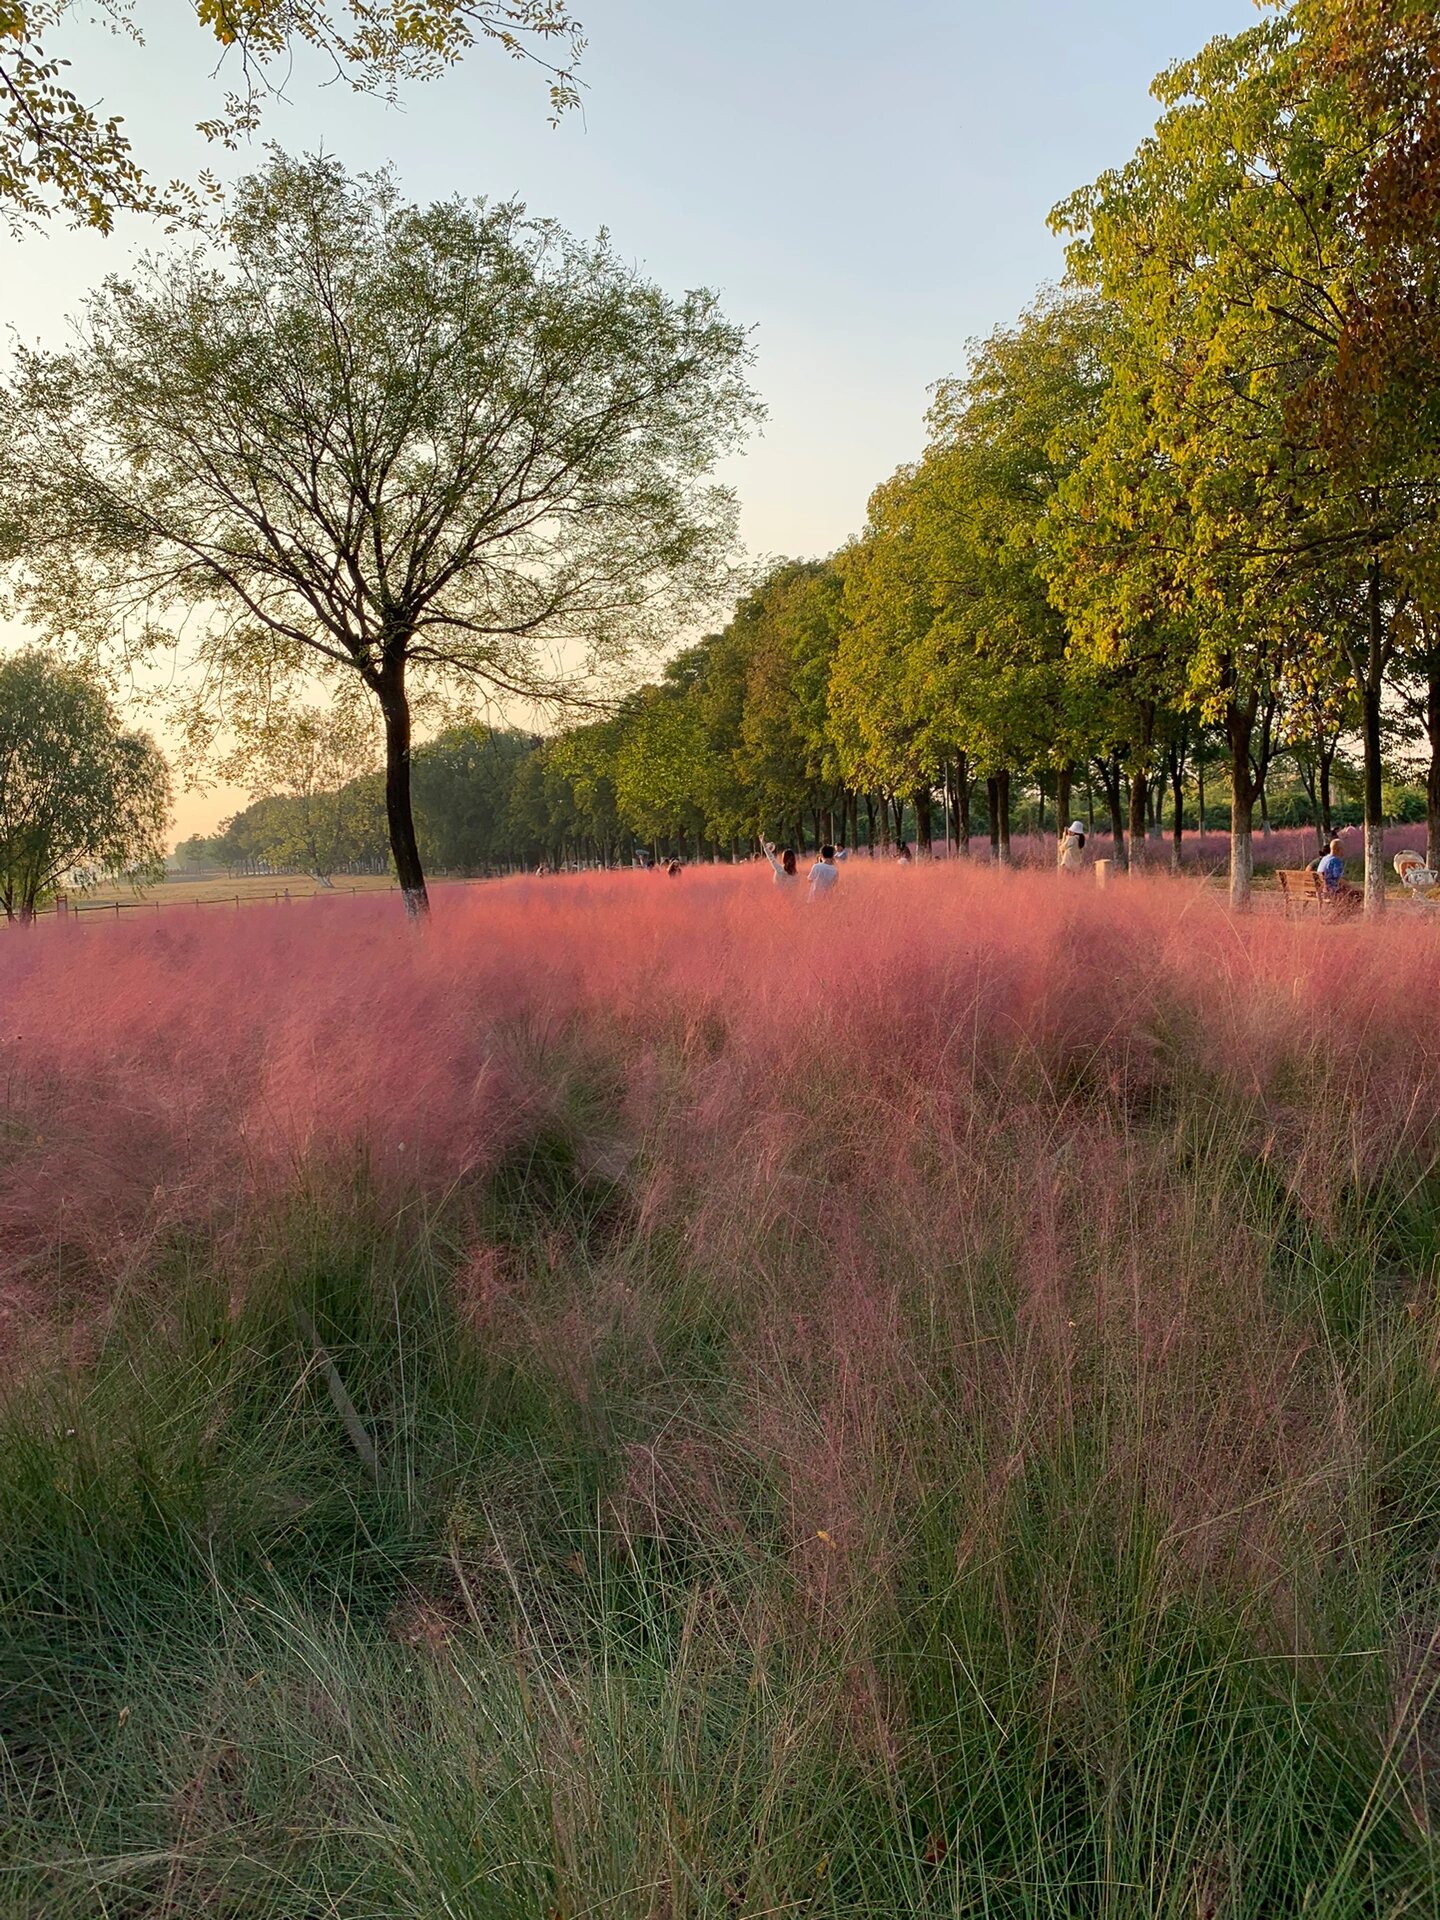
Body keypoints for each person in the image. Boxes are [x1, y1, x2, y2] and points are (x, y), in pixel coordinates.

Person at [1315, 837, 1360, 911]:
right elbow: (1339, 880)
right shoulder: (1336, 861)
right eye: (1342, 849)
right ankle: (1345, 914)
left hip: (1322, 890)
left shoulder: (1325, 858)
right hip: (1331, 891)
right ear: (1337, 849)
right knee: (1358, 894)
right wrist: (1353, 887)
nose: (1343, 851)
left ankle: (1341, 912)